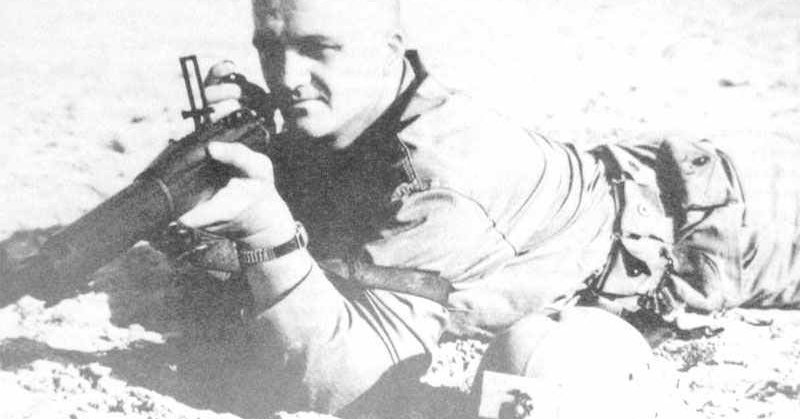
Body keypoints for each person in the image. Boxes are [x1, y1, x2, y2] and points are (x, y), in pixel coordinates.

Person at [169, 0, 800, 417]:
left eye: (319, 48)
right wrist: (241, 148)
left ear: (390, 47)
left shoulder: (442, 182)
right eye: (269, 48)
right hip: (586, 184)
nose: (286, 76)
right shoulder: (357, 112)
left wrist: (265, 232)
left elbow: (342, 385)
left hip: (685, 231)